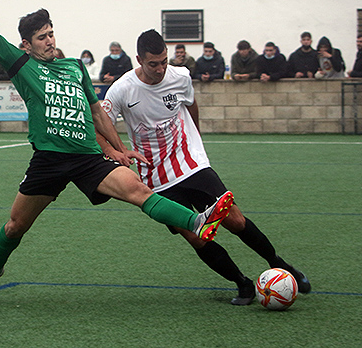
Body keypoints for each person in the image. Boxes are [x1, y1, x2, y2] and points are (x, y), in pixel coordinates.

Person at [0, 0, 234, 297]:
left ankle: (196, 220)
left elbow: (98, 112)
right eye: (42, 37)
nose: (50, 40)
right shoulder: (22, 66)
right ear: (26, 45)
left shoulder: (74, 67)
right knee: (15, 227)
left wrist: (119, 150)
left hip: (89, 158)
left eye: (51, 33)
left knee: (139, 191)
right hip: (48, 159)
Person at [98, 29, 311, 305]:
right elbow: (99, 122)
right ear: (138, 59)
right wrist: (115, 151)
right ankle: (242, 284)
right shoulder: (122, 88)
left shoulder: (181, 76)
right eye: (153, 64)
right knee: (196, 236)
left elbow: (191, 104)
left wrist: (195, 137)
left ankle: (280, 265)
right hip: (157, 179)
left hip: (191, 164)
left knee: (235, 220)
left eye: (164, 61)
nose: (161, 68)